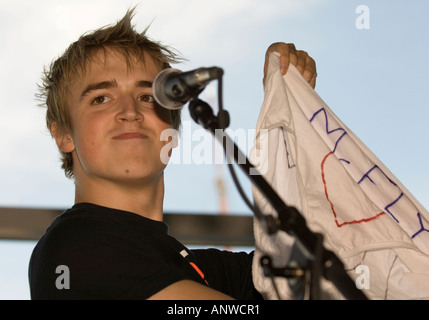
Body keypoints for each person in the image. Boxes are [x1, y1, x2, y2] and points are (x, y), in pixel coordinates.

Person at [28, 8, 317, 300]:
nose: (130, 112)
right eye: (101, 98)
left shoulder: (199, 268)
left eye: (147, 97)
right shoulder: (72, 248)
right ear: (64, 135)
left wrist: (287, 94)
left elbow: (323, 267)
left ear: (171, 131)